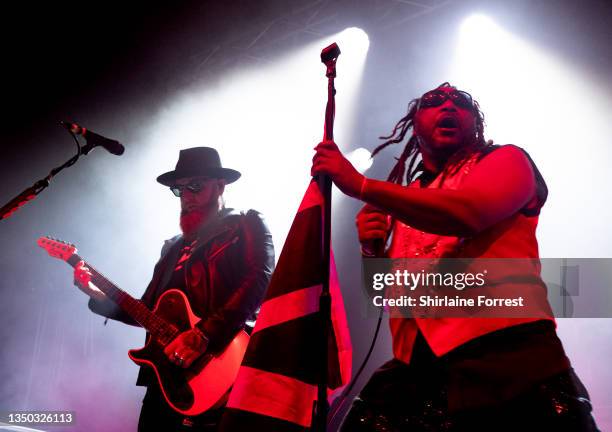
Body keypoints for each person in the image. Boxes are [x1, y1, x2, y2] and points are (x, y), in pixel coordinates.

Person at [312, 83, 599, 431]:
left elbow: (468, 213)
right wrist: (372, 252)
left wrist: (360, 185)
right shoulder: (408, 196)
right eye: (434, 102)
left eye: (460, 102)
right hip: (418, 370)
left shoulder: (507, 160)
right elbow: (392, 302)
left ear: (475, 122)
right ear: (414, 124)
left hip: (509, 360)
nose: (448, 106)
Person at [73, 147, 275, 431]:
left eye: (195, 186)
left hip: (222, 366)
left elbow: (259, 280)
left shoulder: (245, 225)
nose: (187, 197)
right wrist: (95, 294)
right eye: (180, 190)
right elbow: (146, 311)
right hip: (166, 380)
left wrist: (203, 335)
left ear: (220, 185)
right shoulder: (172, 248)